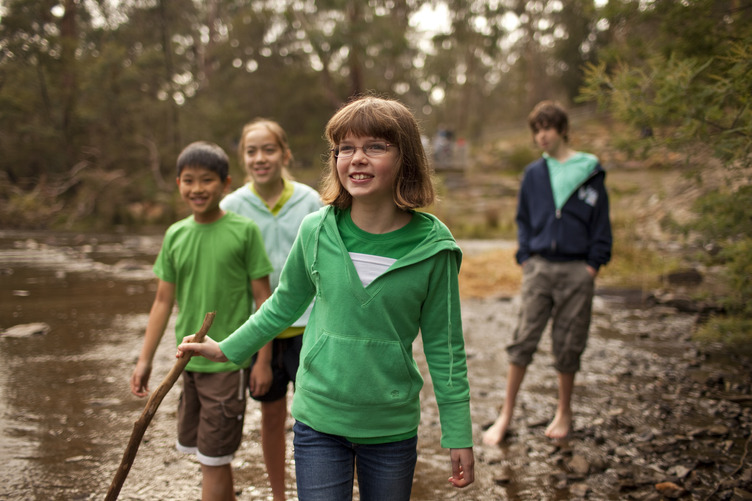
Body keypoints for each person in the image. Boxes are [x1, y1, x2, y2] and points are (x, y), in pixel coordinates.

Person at [177, 95, 475, 500]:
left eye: (375, 147)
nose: (357, 159)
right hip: (318, 421)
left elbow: (445, 347)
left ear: (406, 158)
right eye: (345, 148)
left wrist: (458, 433)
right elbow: (284, 304)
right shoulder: (316, 230)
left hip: (390, 427)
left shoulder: (434, 247)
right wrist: (227, 349)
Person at [130, 141, 274, 501]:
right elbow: (163, 301)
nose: (197, 189)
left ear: (226, 184)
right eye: (189, 180)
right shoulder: (176, 234)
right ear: (178, 183)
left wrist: (263, 360)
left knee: (213, 459)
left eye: (207, 180)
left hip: (227, 363)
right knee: (209, 457)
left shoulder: (244, 231)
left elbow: (264, 301)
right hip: (186, 364)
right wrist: (145, 359)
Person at [482, 100, 612, 445]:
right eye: (536, 130)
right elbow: (522, 219)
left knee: (569, 344)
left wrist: (592, 266)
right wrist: (526, 256)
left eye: (547, 128)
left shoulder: (590, 171)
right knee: (523, 338)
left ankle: (563, 411)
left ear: (563, 130)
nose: (542, 136)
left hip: (576, 270)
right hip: (539, 267)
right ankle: (505, 414)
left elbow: (601, 224)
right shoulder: (533, 175)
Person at [220, 119, 322, 501]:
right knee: (272, 417)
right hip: (260, 331)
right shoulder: (231, 207)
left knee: (318, 420)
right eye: (252, 151)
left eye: (269, 149)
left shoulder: (311, 201)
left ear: (285, 154)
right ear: (242, 159)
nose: (260, 158)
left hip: (311, 328)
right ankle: (279, 496)